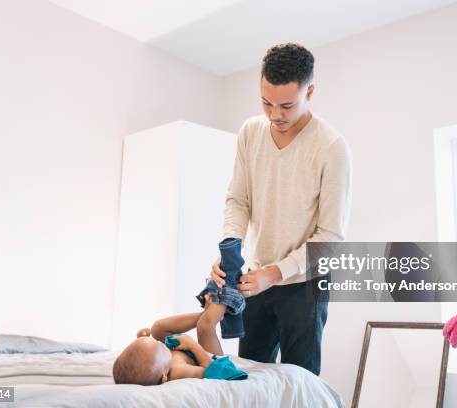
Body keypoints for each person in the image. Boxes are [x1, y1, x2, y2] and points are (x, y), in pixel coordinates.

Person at [210, 43, 352, 375]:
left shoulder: (331, 147)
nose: (275, 115)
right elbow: (238, 199)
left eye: (287, 105)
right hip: (254, 279)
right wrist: (230, 248)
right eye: (266, 103)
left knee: (298, 382)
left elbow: (330, 238)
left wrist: (275, 273)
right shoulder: (250, 132)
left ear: (310, 91)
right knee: (251, 377)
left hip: (304, 285)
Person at [112, 295, 247, 385]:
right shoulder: (178, 371)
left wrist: (143, 338)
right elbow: (212, 371)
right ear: (164, 376)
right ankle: (221, 303)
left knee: (157, 328)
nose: (159, 342)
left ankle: (203, 314)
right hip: (210, 358)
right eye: (158, 346)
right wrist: (192, 346)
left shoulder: (154, 363)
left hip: (185, 352)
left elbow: (143, 355)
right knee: (204, 327)